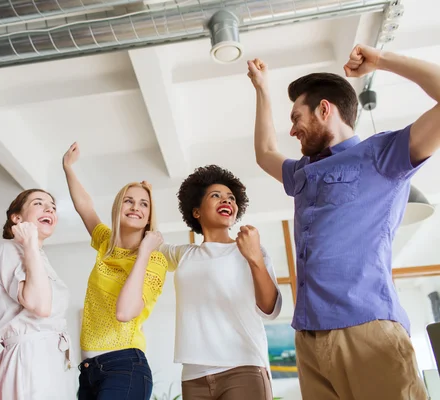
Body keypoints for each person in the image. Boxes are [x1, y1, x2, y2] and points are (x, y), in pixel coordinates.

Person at [248, 44, 440, 400]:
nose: (293, 131)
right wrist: (262, 89)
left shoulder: (382, 155)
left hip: (365, 329)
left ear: (324, 109)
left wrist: (382, 61)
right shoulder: (302, 172)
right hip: (308, 337)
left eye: (296, 118)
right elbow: (264, 153)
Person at [158, 165, 281, 400]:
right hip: (193, 375)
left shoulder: (250, 249)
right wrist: (148, 199)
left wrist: (254, 258)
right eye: (216, 195)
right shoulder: (184, 255)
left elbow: (269, 308)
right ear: (196, 211)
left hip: (243, 368)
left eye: (231, 198)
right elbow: (149, 242)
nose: (227, 200)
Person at [62, 142, 167, 400]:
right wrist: (67, 167)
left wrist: (143, 252)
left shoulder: (154, 261)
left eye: (144, 204)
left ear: (149, 215)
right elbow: (85, 207)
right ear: (118, 208)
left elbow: (125, 312)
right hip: (88, 371)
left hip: (125, 367)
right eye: (129, 201)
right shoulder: (105, 243)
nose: (136, 207)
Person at [0, 189, 72, 400]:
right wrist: (30, 242)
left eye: (53, 206)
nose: (49, 208)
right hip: (28, 357)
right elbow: (40, 306)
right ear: (17, 218)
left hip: (50, 359)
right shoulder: (9, 249)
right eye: (38, 203)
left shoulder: (38, 257)